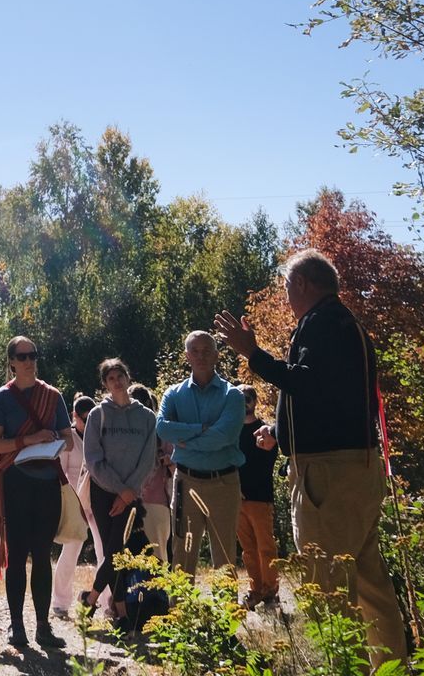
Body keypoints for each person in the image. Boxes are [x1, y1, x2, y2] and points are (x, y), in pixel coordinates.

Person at [215, 251, 405, 669]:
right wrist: (281, 434)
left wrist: (253, 353)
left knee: (328, 587)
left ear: (302, 284)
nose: (285, 296)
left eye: (286, 287)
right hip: (353, 468)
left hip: (329, 474)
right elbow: (330, 399)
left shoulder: (323, 326)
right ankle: (390, 667)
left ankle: (346, 667)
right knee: (369, 581)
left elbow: (306, 382)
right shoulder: (342, 324)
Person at [0, 334, 77, 657]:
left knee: (42, 556)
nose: (29, 361)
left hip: (47, 483)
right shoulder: (0, 398)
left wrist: (53, 440)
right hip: (16, 484)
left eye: (33, 355)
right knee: (18, 557)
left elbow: (69, 440)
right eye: (22, 356)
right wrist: (29, 440)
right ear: (11, 362)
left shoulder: (53, 396)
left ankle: (42, 625)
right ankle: (16, 626)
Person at [155, 330, 245, 577]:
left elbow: (223, 437)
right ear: (187, 356)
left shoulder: (233, 395)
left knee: (225, 558)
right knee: (182, 556)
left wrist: (183, 439)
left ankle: (227, 615)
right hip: (186, 481)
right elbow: (162, 428)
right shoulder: (173, 394)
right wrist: (199, 430)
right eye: (195, 351)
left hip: (223, 483)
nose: (201, 356)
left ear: (216, 355)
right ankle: (181, 615)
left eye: (206, 351)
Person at [81, 358, 157, 619]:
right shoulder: (97, 415)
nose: (116, 381)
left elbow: (149, 459)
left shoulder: (146, 417)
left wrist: (129, 492)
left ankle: (95, 600)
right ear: (105, 384)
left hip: (132, 495)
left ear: (128, 377)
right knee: (115, 551)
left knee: (116, 551)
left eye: (120, 375)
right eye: (110, 378)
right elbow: (92, 458)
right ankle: (120, 612)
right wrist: (119, 489)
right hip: (103, 493)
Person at [52, 393, 104, 620]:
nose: (88, 421)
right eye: (84, 417)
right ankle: (60, 602)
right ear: (75, 416)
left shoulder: (99, 436)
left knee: (104, 552)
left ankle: (106, 601)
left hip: (98, 499)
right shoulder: (69, 439)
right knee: (71, 550)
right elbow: (60, 473)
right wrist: (70, 502)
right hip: (75, 500)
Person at [236, 384, 280, 610]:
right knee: (248, 550)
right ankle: (255, 591)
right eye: (239, 397)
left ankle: (271, 592)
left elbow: (265, 464)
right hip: (237, 499)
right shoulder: (231, 431)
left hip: (260, 496)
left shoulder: (265, 430)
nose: (244, 402)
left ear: (254, 401)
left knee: (265, 547)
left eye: (247, 398)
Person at [129, 383, 174, 565]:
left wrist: (166, 459)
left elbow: (176, 459)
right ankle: (135, 594)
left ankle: (159, 594)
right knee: (133, 560)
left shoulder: (161, 430)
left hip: (156, 502)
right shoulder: (125, 431)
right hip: (129, 501)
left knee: (158, 558)